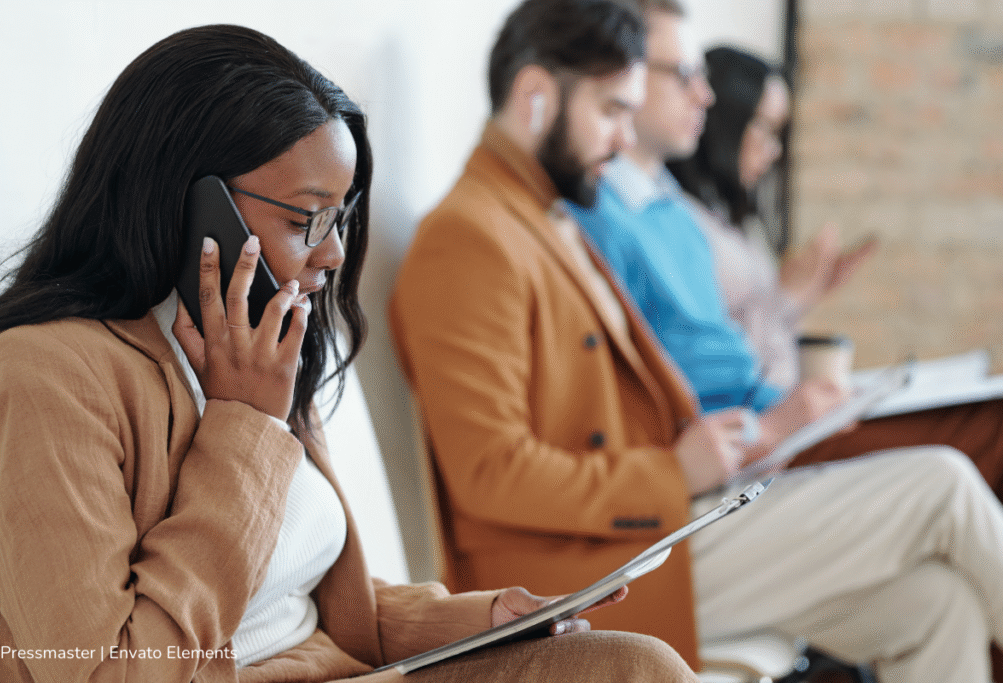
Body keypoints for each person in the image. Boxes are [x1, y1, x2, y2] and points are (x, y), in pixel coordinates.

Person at [0, 24, 698, 683]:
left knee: (635, 666)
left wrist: (479, 618)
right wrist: (243, 428)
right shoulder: (46, 374)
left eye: (343, 217)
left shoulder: (258, 344)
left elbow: (310, 599)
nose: (334, 253)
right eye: (307, 219)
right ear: (191, 203)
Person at [390, 1, 1003, 680]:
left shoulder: (536, 217)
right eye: (611, 112)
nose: (622, 139)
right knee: (942, 481)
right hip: (583, 572)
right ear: (535, 95)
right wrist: (675, 471)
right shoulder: (470, 236)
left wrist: (724, 449)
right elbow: (490, 474)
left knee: (937, 604)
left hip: (649, 528)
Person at [570, 1, 1003, 504]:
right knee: (983, 438)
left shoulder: (670, 213)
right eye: (685, 75)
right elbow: (668, 397)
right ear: (626, 78)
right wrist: (778, 413)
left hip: (772, 418)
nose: (703, 96)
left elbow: (729, 359)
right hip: (745, 447)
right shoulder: (598, 216)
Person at [667, 45, 877, 389]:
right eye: (762, 127)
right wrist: (787, 294)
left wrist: (810, 288)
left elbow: (766, 330)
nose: (773, 149)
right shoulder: (681, 222)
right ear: (725, 123)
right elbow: (718, 357)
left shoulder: (732, 221)